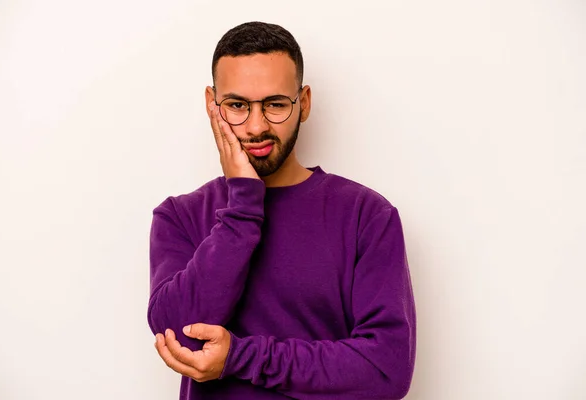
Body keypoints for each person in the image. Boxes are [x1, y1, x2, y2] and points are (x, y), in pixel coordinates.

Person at [148, 21, 416, 400]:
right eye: (237, 106)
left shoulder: (366, 215)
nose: (256, 126)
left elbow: (387, 369)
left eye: (275, 105)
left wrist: (241, 357)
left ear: (303, 103)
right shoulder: (179, 216)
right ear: (213, 104)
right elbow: (180, 341)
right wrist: (242, 205)